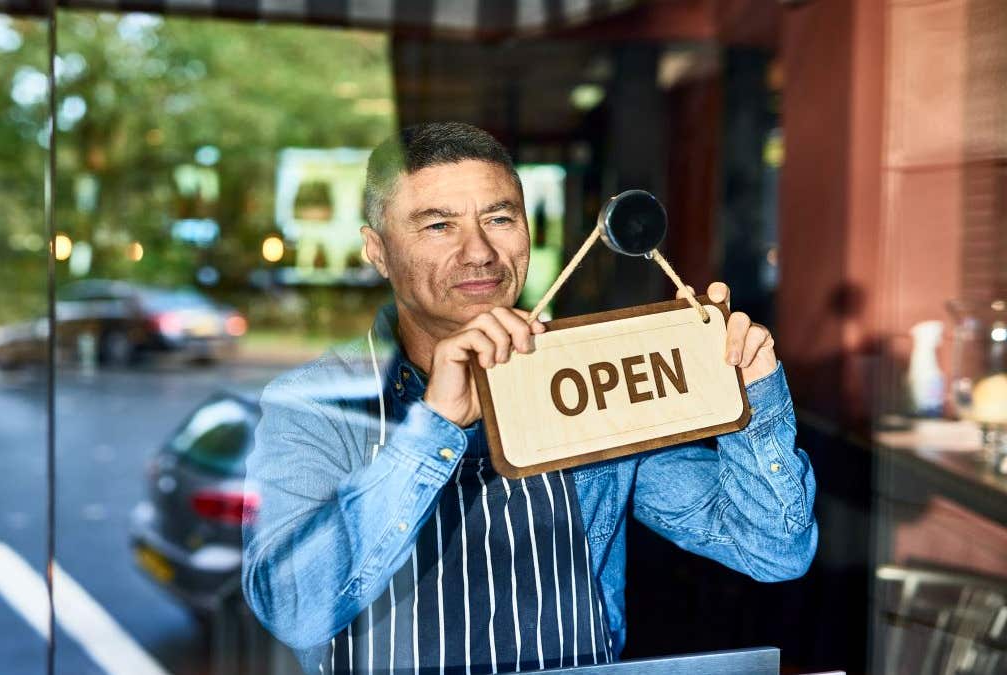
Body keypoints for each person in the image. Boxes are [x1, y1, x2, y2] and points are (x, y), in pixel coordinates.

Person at [242, 122, 817, 674]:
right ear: (377, 250)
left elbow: (771, 551)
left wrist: (754, 399)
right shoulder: (315, 405)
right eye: (437, 225)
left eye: (500, 218)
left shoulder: (587, 374)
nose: (480, 252)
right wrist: (434, 428)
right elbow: (294, 608)